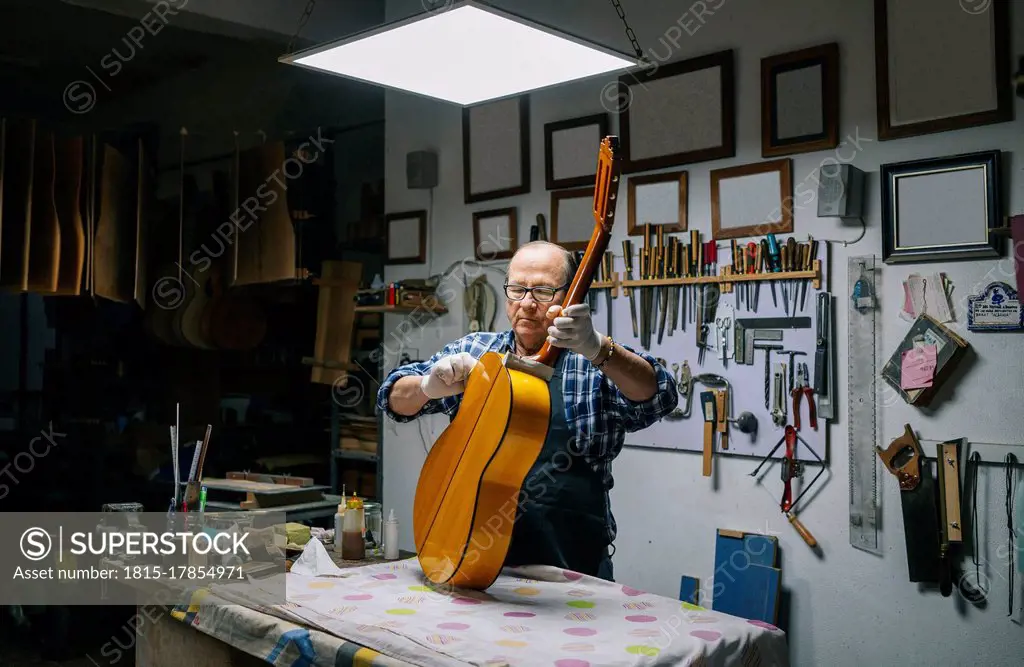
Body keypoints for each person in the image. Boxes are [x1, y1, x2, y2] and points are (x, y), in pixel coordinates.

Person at [376, 240, 678, 581]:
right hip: (471, 555)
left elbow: (661, 396)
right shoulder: (476, 351)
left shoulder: (595, 363)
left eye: (544, 291)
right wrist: (427, 386)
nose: (528, 303)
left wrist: (599, 350)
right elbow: (391, 398)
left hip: (571, 567)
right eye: (517, 289)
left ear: (570, 296)